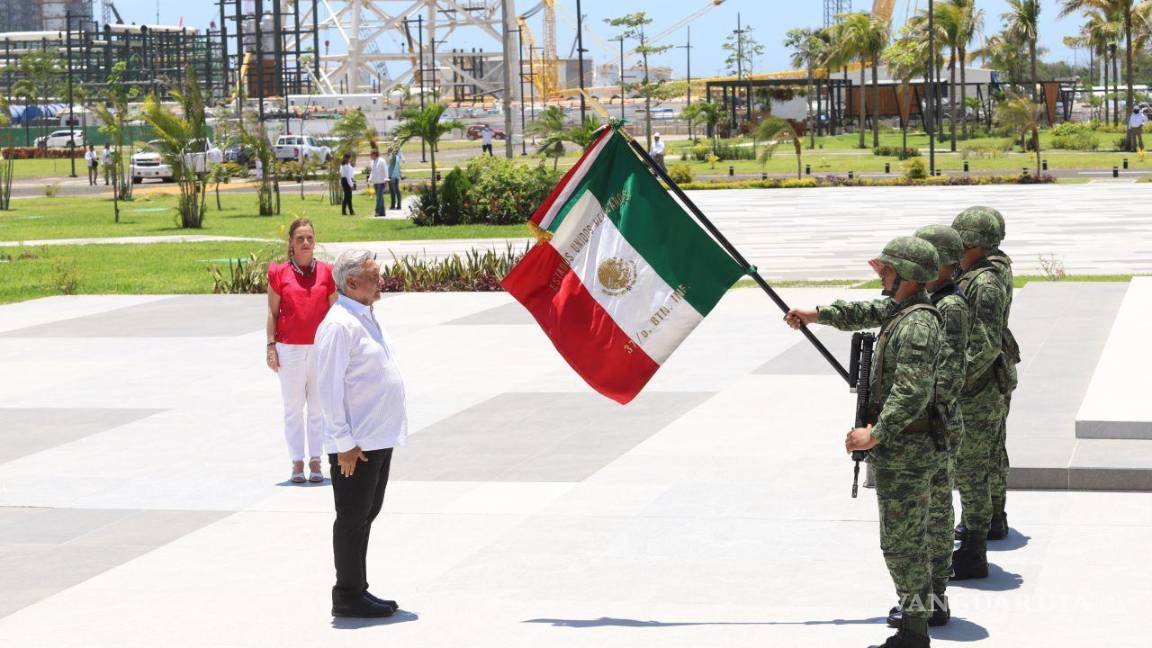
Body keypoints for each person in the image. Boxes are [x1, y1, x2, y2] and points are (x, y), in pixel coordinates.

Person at [786, 237, 945, 648]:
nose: (883, 275)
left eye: (889, 270)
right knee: (909, 541)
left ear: (908, 277)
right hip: (902, 449)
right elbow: (863, 310)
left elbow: (911, 392)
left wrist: (874, 433)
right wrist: (817, 314)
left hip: (907, 451)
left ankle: (915, 632)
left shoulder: (917, 324)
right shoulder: (901, 310)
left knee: (903, 545)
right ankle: (919, 619)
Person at [315, 249, 408, 619]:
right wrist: (343, 445)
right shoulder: (339, 324)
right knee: (352, 516)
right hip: (356, 446)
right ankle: (348, 594)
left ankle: (359, 589)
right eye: (373, 275)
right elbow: (328, 388)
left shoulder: (363, 315)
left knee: (367, 513)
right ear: (351, 282)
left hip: (376, 438)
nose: (380, 279)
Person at [886, 225, 969, 631]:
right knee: (928, 525)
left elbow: (946, 378)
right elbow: (875, 310)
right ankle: (930, 603)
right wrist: (821, 314)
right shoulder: (922, 304)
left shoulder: (942, 310)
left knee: (920, 531)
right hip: (923, 428)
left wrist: (885, 428)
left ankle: (926, 608)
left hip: (924, 432)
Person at [949, 209, 1010, 581]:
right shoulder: (977, 272)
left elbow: (984, 344)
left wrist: (950, 383)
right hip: (980, 382)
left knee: (973, 467)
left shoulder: (984, 282)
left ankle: (975, 546)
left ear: (972, 243)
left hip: (978, 387)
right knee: (984, 459)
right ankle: (990, 521)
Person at [266, 218, 338, 484]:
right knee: (293, 408)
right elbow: (272, 313)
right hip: (290, 350)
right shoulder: (279, 273)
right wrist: (271, 346)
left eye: (309, 238)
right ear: (291, 243)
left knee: (318, 408)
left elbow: (335, 314)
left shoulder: (328, 273)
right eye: (300, 238)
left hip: (320, 350)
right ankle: (297, 461)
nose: (305, 243)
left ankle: (316, 460)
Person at [367, 149, 388, 217]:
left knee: (379, 197)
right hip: (375, 182)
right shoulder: (372, 162)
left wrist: (386, 179)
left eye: (371, 155)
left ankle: (377, 211)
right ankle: (383, 213)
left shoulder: (382, 161)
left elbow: (385, 170)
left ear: (375, 154)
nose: (370, 156)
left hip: (381, 181)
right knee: (380, 197)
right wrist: (370, 179)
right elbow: (372, 172)